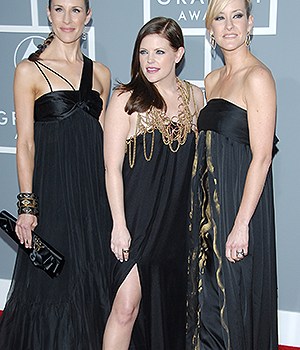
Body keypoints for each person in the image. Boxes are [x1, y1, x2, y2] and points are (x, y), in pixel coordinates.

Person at [0, 0, 111, 348]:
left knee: (93, 284)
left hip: (94, 197)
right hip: (52, 194)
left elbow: (108, 148)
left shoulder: (102, 74)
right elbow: (26, 144)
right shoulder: (28, 71)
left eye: (76, 10)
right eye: (59, 9)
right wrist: (27, 205)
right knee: (53, 282)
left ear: (87, 16)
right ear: (48, 14)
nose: (68, 18)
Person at [103, 16, 204, 350]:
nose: (149, 61)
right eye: (143, 52)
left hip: (176, 227)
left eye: (159, 52)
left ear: (178, 54)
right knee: (125, 308)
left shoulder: (197, 98)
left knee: (170, 312)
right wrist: (119, 225)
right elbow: (111, 169)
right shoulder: (126, 100)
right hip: (135, 221)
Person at [186, 0, 278, 349]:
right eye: (219, 18)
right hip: (208, 209)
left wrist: (240, 225)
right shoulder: (212, 80)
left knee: (230, 304)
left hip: (240, 211)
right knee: (206, 305)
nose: (229, 26)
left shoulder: (258, 77)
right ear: (210, 29)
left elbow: (262, 156)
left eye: (236, 16)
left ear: (250, 22)